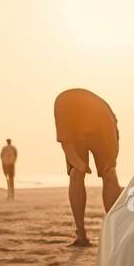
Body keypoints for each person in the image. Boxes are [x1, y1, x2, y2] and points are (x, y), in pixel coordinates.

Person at [53, 88, 123, 247]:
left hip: (102, 128)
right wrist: (80, 165)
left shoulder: (104, 118)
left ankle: (115, 230)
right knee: (76, 174)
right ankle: (81, 235)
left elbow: (111, 154)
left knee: (109, 173)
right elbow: (67, 145)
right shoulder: (63, 109)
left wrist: (109, 163)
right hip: (75, 128)